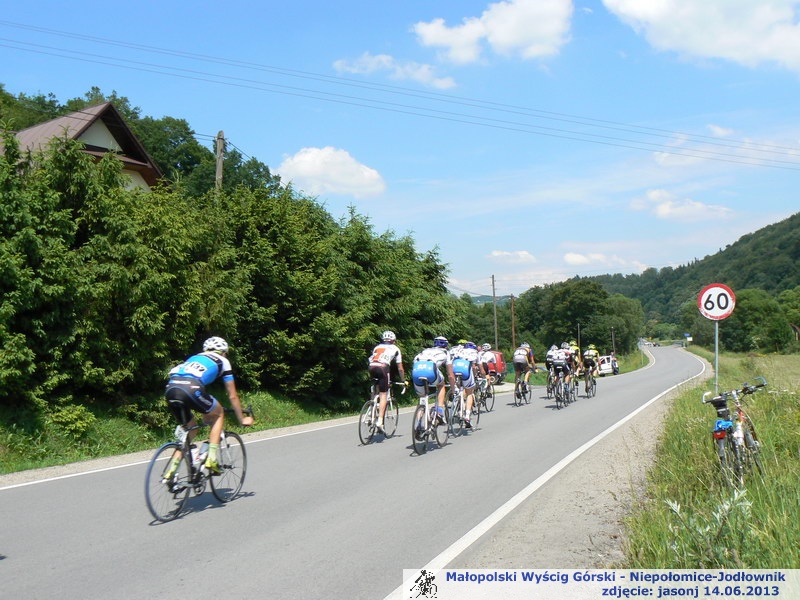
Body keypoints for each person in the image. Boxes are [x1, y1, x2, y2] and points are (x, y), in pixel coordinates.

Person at [163, 336, 253, 477]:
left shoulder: (194, 358)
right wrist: (242, 419)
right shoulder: (222, 360)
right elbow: (232, 396)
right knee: (219, 413)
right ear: (223, 352)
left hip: (171, 389)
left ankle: (170, 472)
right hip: (191, 388)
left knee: (190, 430)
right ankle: (211, 458)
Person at [367, 330, 406, 433]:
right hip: (383, 368)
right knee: (383, 394)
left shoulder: (377, 347)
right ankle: (380, 421)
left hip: (371, 367)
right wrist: (403, 380)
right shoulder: (396, 349)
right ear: (393, 340)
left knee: (376, 388)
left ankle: (371, 409)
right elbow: (400, 368)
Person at [411, 336, 455, 425]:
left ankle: (418, 424)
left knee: (422, 398)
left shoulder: (426, 350)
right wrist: (453, 388)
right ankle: (440, 410)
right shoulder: (446, 353)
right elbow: (450, 375)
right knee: (441, 385)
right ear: (446, 345)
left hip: (416, 370)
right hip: (430, 368)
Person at [451, 341, 485, 429]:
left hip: (455, 368)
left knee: (460, 388)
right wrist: (483, 377)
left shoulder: (459, 350)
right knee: (469, 392)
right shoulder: (475, 353)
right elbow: (480, 368)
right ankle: (467, 415)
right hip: (465, 369)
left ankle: (458, 404)